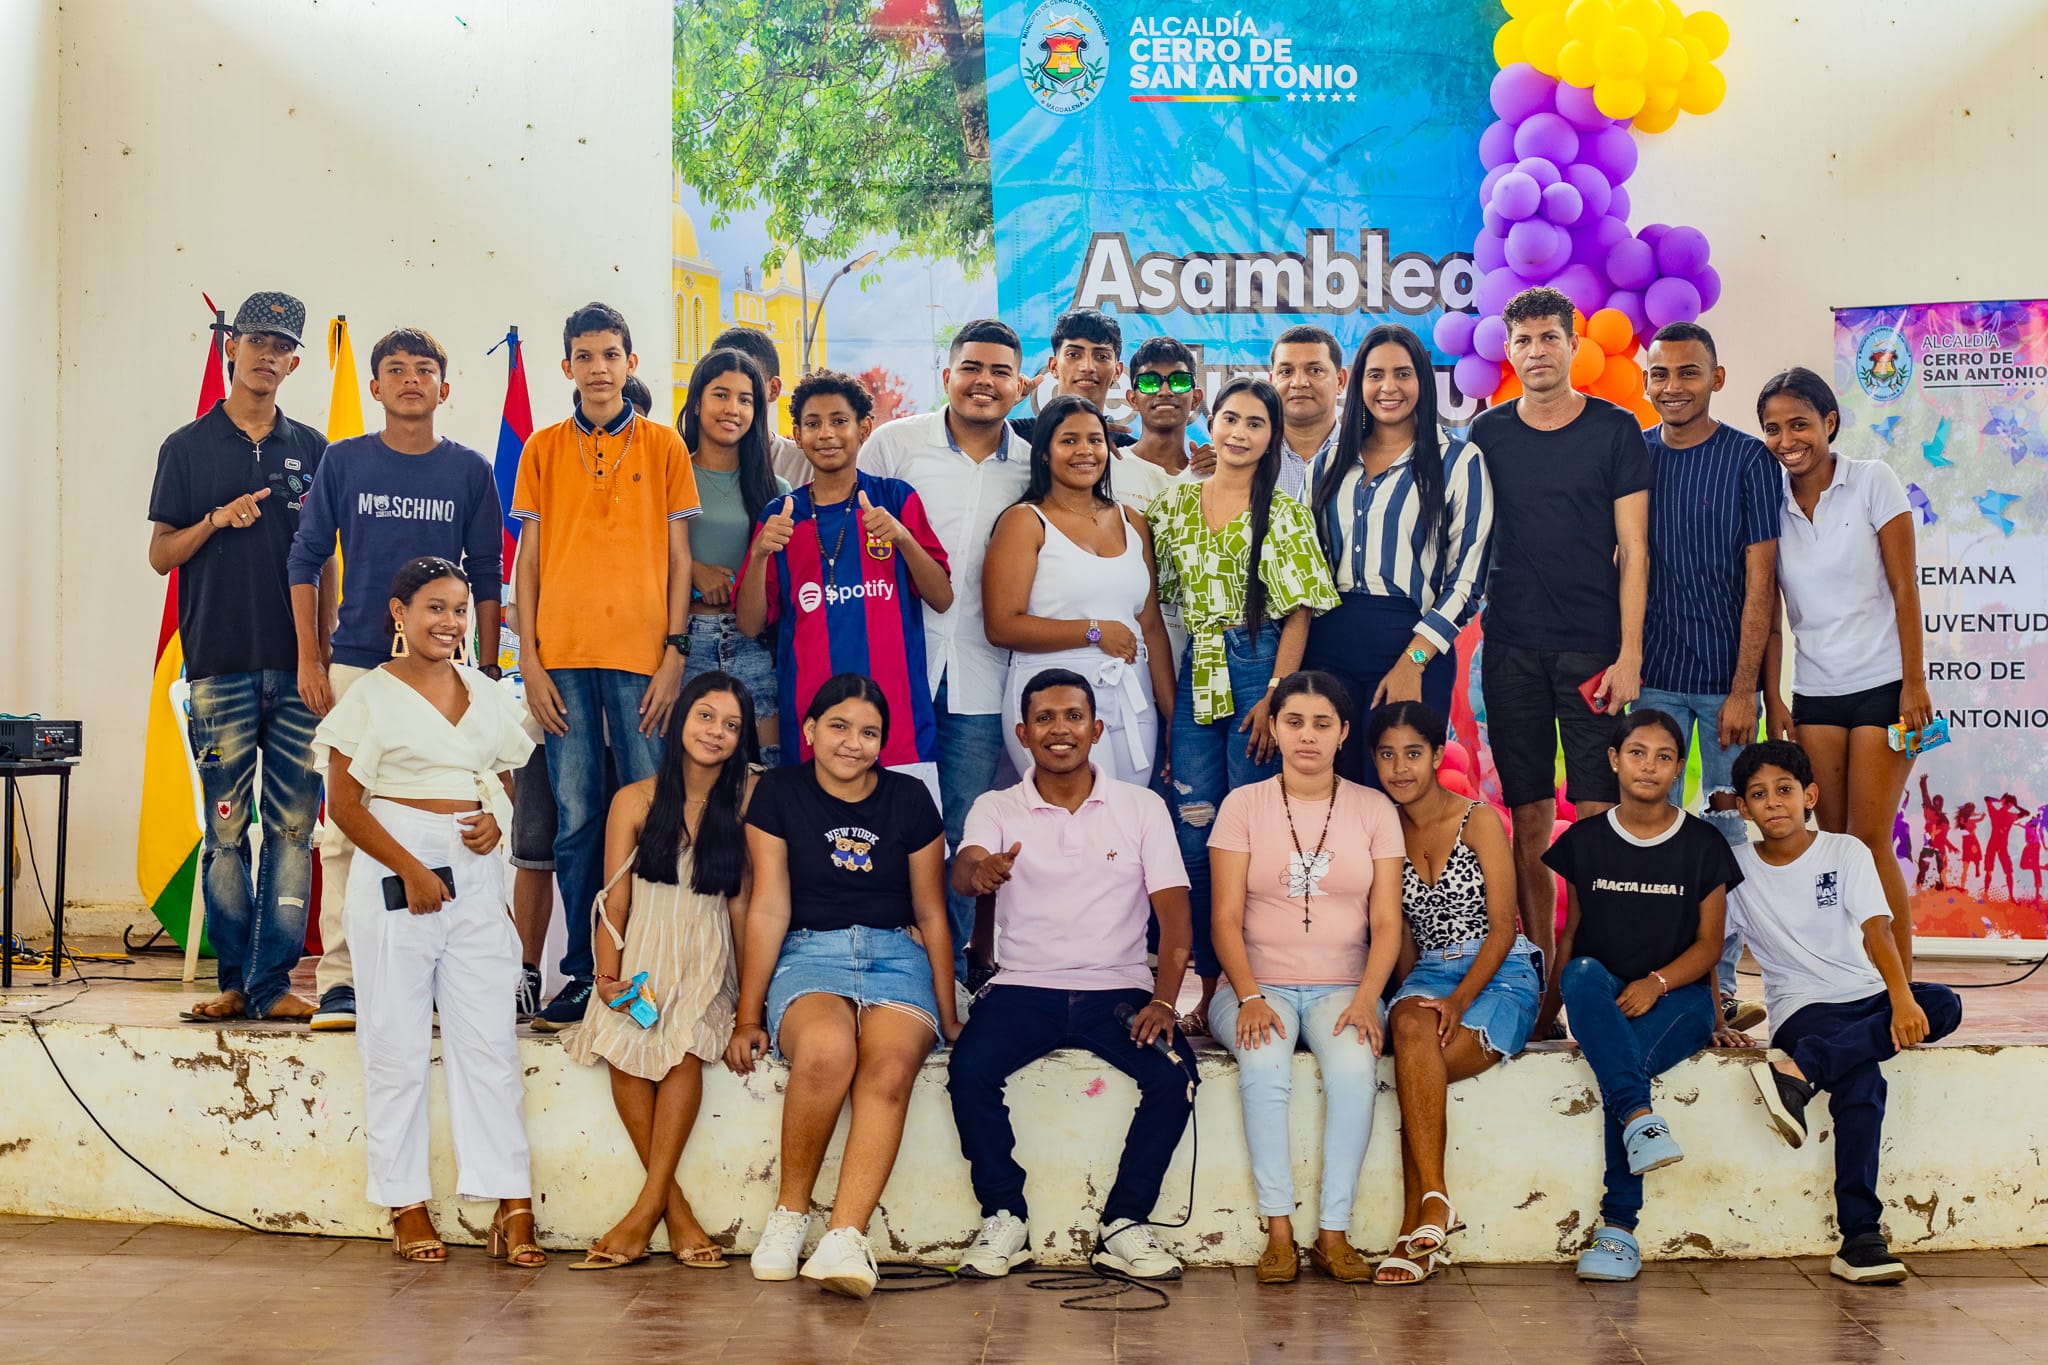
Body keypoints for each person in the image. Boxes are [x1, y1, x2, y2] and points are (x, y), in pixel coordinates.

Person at [313, 556, 544, 1268]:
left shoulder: (484, 690)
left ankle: (512, 1200)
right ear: (399, 614)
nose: (447, 622)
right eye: (433, 609)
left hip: (472, 870)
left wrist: (495, 822)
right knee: (396, 1040)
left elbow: (505, 778)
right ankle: (404, 1201)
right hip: (395, 862)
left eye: (457, 609)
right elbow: (345, 804)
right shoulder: (371, 696)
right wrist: (409, 866)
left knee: (488, 1042)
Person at [288, 326, 506, 1033]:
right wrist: (309, 659)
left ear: (445, 388)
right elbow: (305, 558)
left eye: (424, 370)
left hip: (447, 675)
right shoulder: (345, 461)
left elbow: (490, 575)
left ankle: (438, 971)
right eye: (395, 369)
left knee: (450, 820)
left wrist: (488, 667)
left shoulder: (470, 471)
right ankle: (343, 981)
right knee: (345, 827)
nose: (410, 379)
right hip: (357, 663)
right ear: (375, 387)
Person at [946, 668, 1197, 1282]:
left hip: (1118, 990)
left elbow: (1174, 912)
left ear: (1097, 728)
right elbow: (966, 865)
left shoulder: (1141, 808)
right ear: (1023, 733)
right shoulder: (997, 806)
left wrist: (1163, 1001)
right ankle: (1005, 1214)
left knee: (1175, 1078)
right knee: (968, 1071)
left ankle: (1125, 1223)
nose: (1061, 729)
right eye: (1046, 719)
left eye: (1074, 717)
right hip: (1022, 986)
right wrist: (980, 874)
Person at [726, 675, 960, 1298]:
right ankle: (789, 1215)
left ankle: (845, 1238)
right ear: (808, 730)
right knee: (827, 1052)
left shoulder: (910, 800)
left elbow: (933, 912)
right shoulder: (777, 793)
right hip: (810, 954)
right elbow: (769, 905)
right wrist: (749, 1015)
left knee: (887, 1073)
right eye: (838, 726)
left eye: (869, 732)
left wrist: (948, 1007)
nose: (853, 743)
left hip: (895, 955)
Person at [511, 302, 701, 1031]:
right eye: (584, 356)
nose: (597, 367)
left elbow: (680, 559)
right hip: (559, 663)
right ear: (567, 366)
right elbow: (528, 562)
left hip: (642, 661)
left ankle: (654, 962)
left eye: (610, 354)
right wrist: (528, 657)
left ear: (631, 362)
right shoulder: (542, 448)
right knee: (576, 815)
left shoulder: (661, 447)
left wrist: (674, 655)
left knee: (653, 811)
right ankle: (586, 974)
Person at [147, 290, 329, 1024]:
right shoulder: (186, 448)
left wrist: (319, 652)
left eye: (279, 344)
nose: (264, 353)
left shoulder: (314, 448)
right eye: (253, 338)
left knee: (292, 828)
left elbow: (324, 560)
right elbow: (160, 554)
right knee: (227, 830)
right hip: (218, 664)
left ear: (293, 361)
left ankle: (271, 981)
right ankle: (234, 978)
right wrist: (215, 522)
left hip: (297, 670)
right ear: (231, 346)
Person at [1722, 739, 1962, 1284]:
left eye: (1784, 790)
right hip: (1803, 1007)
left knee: (1943, 1003)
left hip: (1864, 992)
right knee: (1862, 1081)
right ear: (1743, 808)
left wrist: (1901, 998)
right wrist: (1716, 1015)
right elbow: (1713, 943)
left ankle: (1801, 1073)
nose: (1773, 802)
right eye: (1757, 795)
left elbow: (1877, 929)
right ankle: (1860, 1238)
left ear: (1810, 794)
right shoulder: (1735, 868)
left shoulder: (1845, 851)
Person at [1474, 286, 1652, 990]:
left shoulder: (1614, 430)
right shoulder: (1488, 435)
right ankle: (1543, 978)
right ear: (1509, 351)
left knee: (1598, 821)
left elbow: (1635, 551)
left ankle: (1592, 971)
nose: (1536, 351)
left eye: (1550, 337)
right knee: (1528, 819)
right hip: (1511, 646)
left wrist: (1630, 653)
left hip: (1593, 651)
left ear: (1574, 345)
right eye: (1523, 341)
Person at [1148, 376, 1340, 1029]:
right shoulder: (1174, 504)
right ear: (1213, 421)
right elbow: (1162, 600)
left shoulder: (1282, 511)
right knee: (1195, 831)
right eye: (1230, 417)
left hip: (1260, 666)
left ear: (1271, 438)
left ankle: (1253, 975)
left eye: (1256, 423)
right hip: (1199, 664)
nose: (1239, 432)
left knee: (1252, 832)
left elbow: (1301, 610)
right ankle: (1207, 977)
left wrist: (1277, 698)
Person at [1207, 672, 1403, 1285]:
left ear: (1345, 733)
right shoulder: (1244, 806)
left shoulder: (1374, 810)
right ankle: (1280, 1232)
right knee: (1263, 1068)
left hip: (1345, 986)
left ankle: (1334, 1233)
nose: (1307, 737)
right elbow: (1223, 917)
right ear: (1274, 727)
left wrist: (1369, 1000)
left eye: (1323, 724)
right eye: (1294, 722)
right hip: (1253, 983)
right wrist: (1248, 995)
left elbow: (1387, 921)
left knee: (1353, 1070)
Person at [562, 671, 758, 1270]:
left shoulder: (749, 798)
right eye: (705, 716)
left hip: (708, 952)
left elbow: (745, 904)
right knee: (622, 1042)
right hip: (641, 947)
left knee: (682, 1050)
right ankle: (673, 1210)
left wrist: (753, 1000)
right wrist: (606, 975)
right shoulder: (635, 799)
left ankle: (642, 1213)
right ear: (679, 721)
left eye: (731, 725)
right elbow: (614, 899)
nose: (716, 732)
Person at [1538, 709, 1739, 1282]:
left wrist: (1660, 985)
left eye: (1664, 756)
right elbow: (1571, 933)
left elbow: (1709, 946)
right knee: (1580, 972)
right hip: (1605, 998)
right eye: (1637, 753)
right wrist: (1547, 1017)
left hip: (1679, 999)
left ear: (1679, 769)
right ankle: (1642, 1127)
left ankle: (1618, 1227)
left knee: (1621, 1070)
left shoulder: (1702, 844)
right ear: (1613, 760)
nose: (1649, 766)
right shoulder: (1584, 841)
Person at [858, 319, 1029, 979]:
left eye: (999, 372)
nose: (984, 382)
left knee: (958, 831)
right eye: (972, 368)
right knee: (876, 821)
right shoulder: (895, 444)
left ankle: (943, 977)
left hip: (983, 679)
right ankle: (875, 966)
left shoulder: (1030, 463)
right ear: (948, 374)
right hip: (892, 669)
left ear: (1019, 385)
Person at [1758, 366, 1930, 973]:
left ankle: (1901, 987)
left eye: (1800, 424)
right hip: (1815, 693)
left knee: (1868, 841)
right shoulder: (1769, 500)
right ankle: (1850, 981)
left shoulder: (1872, 481)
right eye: (1774, 429)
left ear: (1830, 423)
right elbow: (1773, 615)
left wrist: (1914, 682)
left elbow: (1906, 591)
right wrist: (1774, 698)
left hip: (1885, 687)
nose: (1788, 440)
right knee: (1831, 847)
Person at [1637, 321, 1780, 1031]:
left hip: (1725, 686)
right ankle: (1661, 984)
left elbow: (1762, 584)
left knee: (1725, 838)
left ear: (1717, 379)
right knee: (1656, 835)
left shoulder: (1751, 461)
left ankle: (1719, 989)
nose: (1673, 387)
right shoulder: (1633, 456)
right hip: (1653, 682)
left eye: (1688, 372)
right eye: (1660, 374)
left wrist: (1745, 687)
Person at [1368, 700, 1542, 1285]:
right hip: (1426, 975)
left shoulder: (1479, 819)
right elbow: (1403, 938)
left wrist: (1460, 1001)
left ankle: (1411, 1229)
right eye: (1387, 755)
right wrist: (1406, 998)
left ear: (1437, 756)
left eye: (1413, 754)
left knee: (1417, 1072)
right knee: (1412, 1035)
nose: (1400, 768)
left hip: (1498, 972)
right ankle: (1435, 1206)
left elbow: (1503, 927)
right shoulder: (1383, 830)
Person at [737, 370, 953, 804]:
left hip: (899, 727)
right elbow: (749, 624)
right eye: (813, 423)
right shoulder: (781, 514)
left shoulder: (896, 499)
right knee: (816, 861)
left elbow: (942, 598)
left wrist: (903, 538)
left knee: (905, 858)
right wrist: (760, 553)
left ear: (864, 429)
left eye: (839, 421)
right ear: (796, 435)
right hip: (811, 729)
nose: (827, 434)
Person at [1303, 323, 1492, 782]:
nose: (1389, 387)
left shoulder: (1459, 462)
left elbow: (1467, 580)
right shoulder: (1327, 462)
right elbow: (1307, 564)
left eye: (1403, 374)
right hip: (1327, 645)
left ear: (1423, 382)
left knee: (1398, 789)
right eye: (1375, 375)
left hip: (1412, 644)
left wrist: (1414, 662)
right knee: (1334, 791)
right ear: (1358, 382)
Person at [984, 397, 1175, 787]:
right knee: (1067, 826)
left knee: (1124, 822)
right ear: (1043, 454)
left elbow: (1151, 626)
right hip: (1050, 699)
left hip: (1130, 694)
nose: (1085, 451)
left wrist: (1173, 719)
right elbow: (1001, 626)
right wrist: (1093, 631)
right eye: (1069, 441)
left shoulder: (1132, 521)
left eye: (1095, 440)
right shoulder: (1024, 521)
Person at [677, 347, 789, 761]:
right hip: (686, 642)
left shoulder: (777, 490)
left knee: (768, 774)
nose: (733, 409)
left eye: (746, 399)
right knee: (691, 780)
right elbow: (641, 554)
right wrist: (693, 570)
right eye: (721, 395)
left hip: (755, 646)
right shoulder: (670, 478)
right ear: (697, 401)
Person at [1115, 335, 1212, 668]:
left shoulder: (1216, 477)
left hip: (1199, 658)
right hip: (1122, 656)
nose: (1166, 391)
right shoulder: (1107, 469)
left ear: (1195, 397)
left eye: (1180, 380)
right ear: (1132, 397)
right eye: (1150, 381)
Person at [1010, 307, 1137, 446]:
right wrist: (1005, 400)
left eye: (1101, 356)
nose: (1087, 367)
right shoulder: (1013, 437)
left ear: (1117, 372)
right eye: (1073, 355)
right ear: (1054, 366)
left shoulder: (1131, 454)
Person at [709, 324, 809, 486]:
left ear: (773, 389)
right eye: (721, 394)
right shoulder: (682, 464)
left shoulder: (806, 464)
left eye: (746, 394)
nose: (732, 409)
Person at [1267, 325, 1348, 502]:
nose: (1299, 382)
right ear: (1272, 382)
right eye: (1286, 372)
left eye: (1315, 370)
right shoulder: (1249, 455)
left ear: (1340, 381)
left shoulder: (1363, 453)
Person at [1986, 793, 2025, 902]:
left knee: (1989, 870)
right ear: (2011, 804)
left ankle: (1985, 893)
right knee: (2007, 872)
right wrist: (2015, 805)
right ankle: (2011, 897)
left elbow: (1987, 799)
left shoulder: (1994, 812)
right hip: (2001, 845)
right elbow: (2025, 813)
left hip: (1993, 844)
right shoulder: (2010, 816)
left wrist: (1999, 800)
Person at [1915, 777, 1951, 891]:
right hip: (1933, 846)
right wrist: (1923, 784)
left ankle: (1937, 887)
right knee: (1928, 869)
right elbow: (1925, 796)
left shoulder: (1937, 815)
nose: (1937, 804)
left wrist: (1923, 783)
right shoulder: (1934, 814)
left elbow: (1925, 796)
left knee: (1938, 869)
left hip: (1934, 846)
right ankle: (1920, 887)